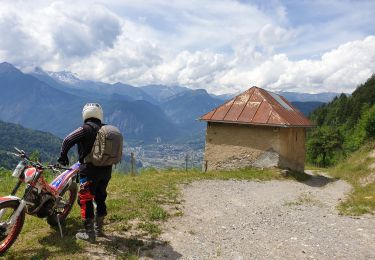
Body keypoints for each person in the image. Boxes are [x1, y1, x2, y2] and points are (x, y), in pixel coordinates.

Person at [58, 103, 112, 243]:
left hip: (89, 171)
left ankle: (90, 234)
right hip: (106, 170)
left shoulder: (85, 129)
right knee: (100, 196)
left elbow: (68, 140)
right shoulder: (106, 129)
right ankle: (99, 229)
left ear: (85, 114)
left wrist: (63, 156)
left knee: (85, 199)